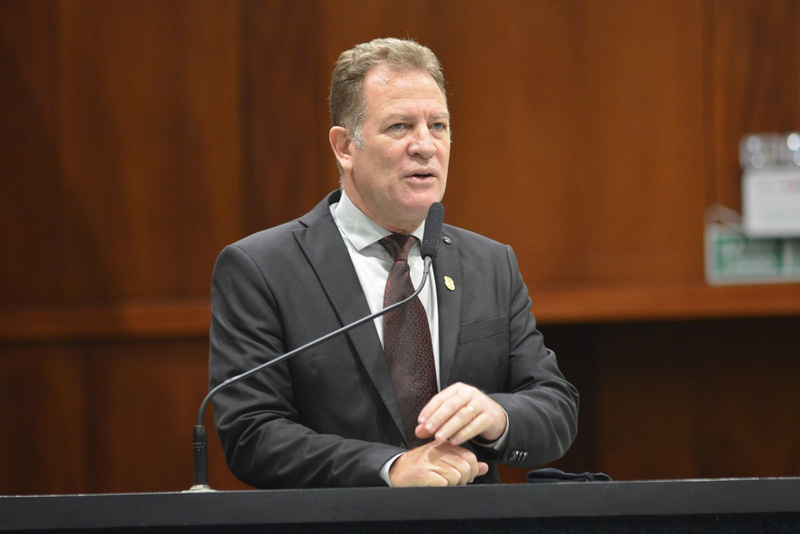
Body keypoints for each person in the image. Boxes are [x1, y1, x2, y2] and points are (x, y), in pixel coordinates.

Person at [209, 37, 579, 488]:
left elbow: (555, 407)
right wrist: (390, 468)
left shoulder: (490, 264)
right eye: (400, 126)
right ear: (345, 147)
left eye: (438, 126)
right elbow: (252, 434)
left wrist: (498, 415)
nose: (425, 146)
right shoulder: (263, 269)